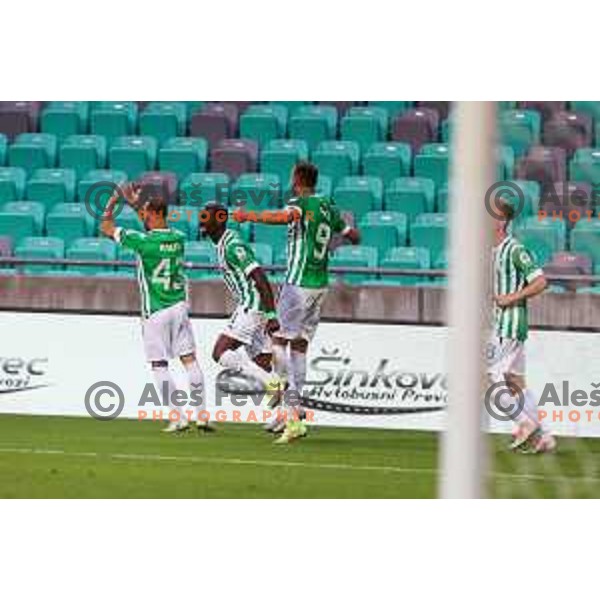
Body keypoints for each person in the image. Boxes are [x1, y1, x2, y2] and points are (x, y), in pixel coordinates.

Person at [234, 161, 360, 443]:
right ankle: (290, 409)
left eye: (292, 176)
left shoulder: (301, 203)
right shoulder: (329, 206)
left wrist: (248, 216)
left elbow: (283, 217)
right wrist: (325, 246)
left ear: (298, 179)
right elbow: (354, 235)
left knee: (277, 341)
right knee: (300, 346)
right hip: (320, 286)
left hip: (298, 283)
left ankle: (291, 414)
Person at [100, 184, 210, 434]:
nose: (144, 217)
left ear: (152, 214)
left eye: (145, 213)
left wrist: (114, 202)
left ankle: (178, 417)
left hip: (156, 310)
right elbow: (153, 225)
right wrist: (136, 204)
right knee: (189, 360)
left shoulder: (142, 242)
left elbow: (105, 228)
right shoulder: (179, 238)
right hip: (180, 306)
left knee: (159, 365)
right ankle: (202, 416)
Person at [200, 203, 288, 431]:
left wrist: (270, 313)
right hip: (252, 306)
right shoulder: (223, 243)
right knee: (262, 364)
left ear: (219, 220)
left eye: (206, 217)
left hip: (253, 305)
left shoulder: (233, 245)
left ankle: (273, 385)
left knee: (220, 352)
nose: (201, 221)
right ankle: (283, 416)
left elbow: (259, 276)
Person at [489, 199, 556, 453]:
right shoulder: (491, 251)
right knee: (516, 382)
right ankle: (546, 435)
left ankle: (523, 422)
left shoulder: (514, 249)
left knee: (489, 376)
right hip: (504, 323)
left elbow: (540, 282)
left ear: (502, 221)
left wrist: (510, 298)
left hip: (509, 323)